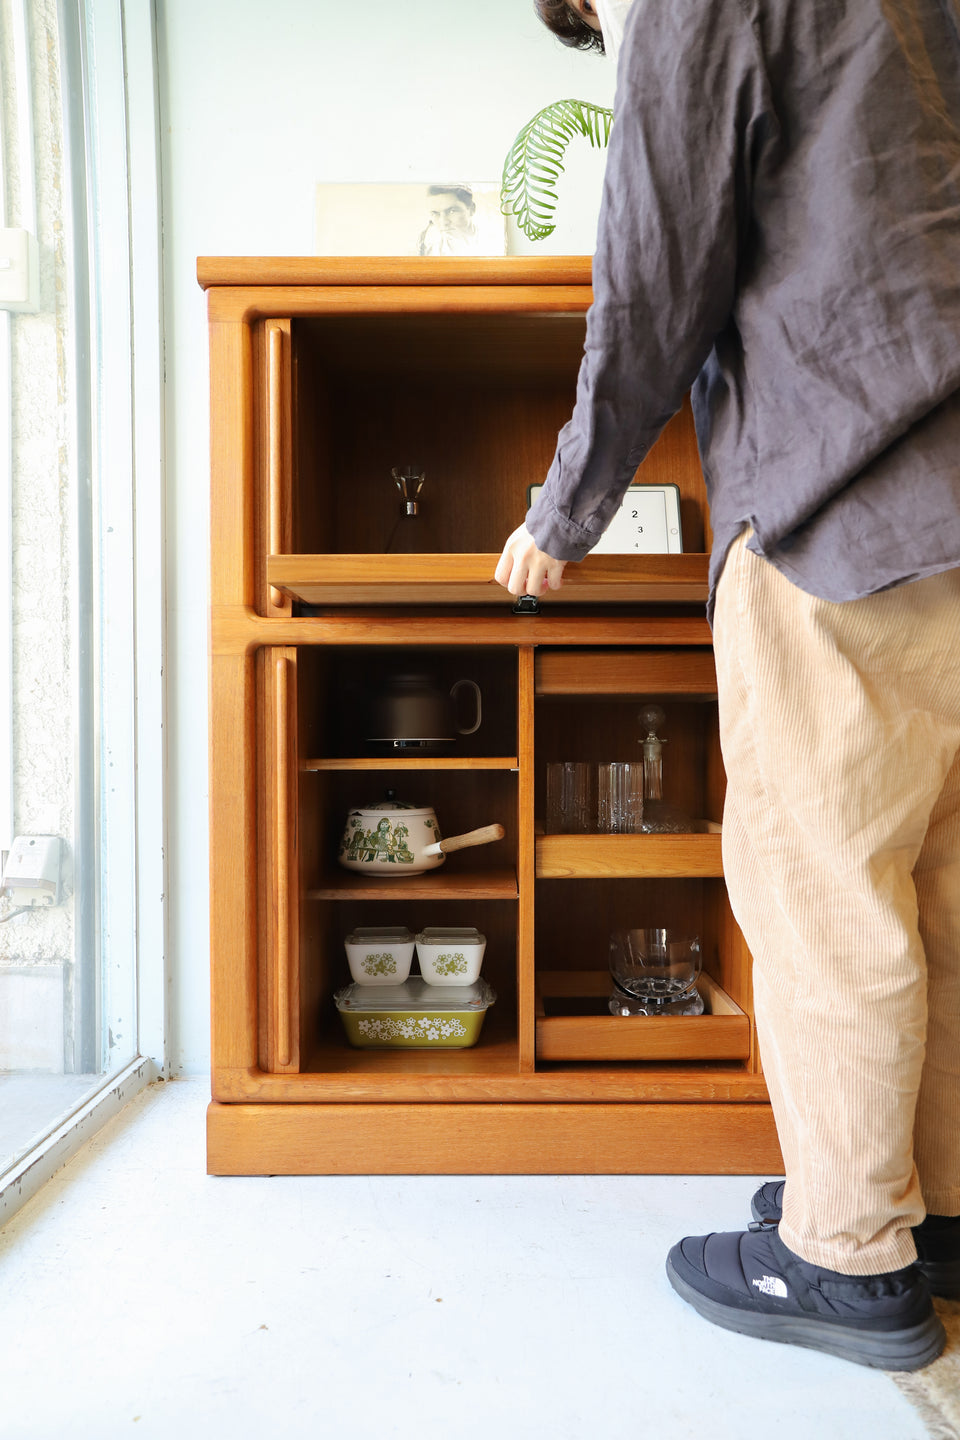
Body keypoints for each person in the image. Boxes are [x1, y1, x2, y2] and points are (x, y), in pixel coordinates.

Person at [495, 0, 960, 1371]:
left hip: (842, 500)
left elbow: (652, 281)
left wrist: (564, 512)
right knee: (935, 888)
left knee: (825, 893)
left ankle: (847, 1257)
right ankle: (927, 1216)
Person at [417, 183, 481, 256]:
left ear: (472, 209)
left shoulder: (491, 242)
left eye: (452, 211)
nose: (443, 222)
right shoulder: (430, 251)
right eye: (435, 213)